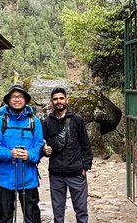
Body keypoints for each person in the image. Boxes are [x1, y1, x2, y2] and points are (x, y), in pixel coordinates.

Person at [0, 84, 44, 223]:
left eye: (20, 96)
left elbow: (39, 146)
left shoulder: (34, 122)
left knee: (32, 217)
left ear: (25, 99)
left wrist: (29, 155)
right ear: (8, 100)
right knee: (4, 217)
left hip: (29, 178)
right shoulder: (0, 122)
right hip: (5, 179)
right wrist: (10, 153)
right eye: (13, 97)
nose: (17, 99)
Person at [41, 87, 93, 223]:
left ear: (66, 99)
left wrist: (85, 167)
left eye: (61, 98)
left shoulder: (77, 120)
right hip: (56, 174)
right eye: (55, 99)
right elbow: (43, 146)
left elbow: (86, 145)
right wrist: (44, 151)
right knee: (58, 214)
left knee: (81, 212)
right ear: (51, 101)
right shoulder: (47, 123)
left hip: (76, 173)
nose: (59, 102)